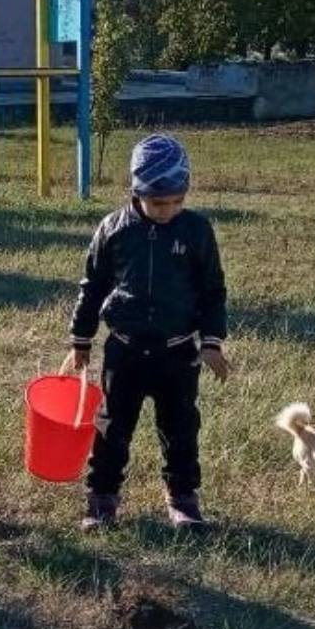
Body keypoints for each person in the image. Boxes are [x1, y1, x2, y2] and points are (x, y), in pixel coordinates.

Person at [63, 134, 230, 531]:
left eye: (177, 201)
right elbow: (93, 285)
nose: (167, 210)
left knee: (181, 429)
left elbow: (213, 289)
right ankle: (101, 499)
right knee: (111, 428)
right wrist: (80, 339)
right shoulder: (114, 230)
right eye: (158, 202)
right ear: (135, 192)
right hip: (125, 351)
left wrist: (211, 341)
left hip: (178, 353)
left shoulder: (196, 231)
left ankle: (183, 499)